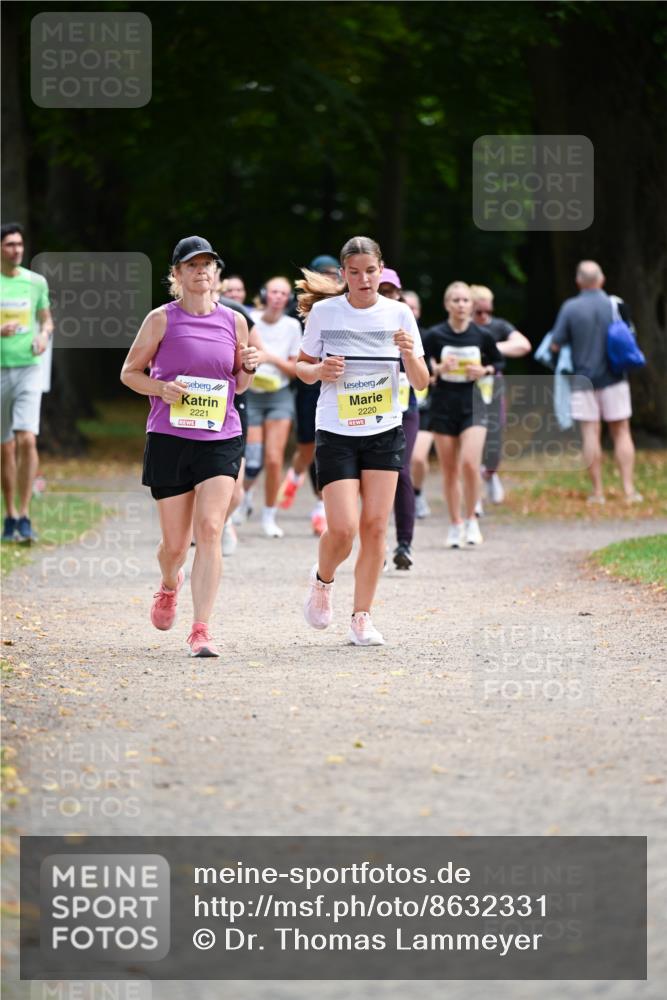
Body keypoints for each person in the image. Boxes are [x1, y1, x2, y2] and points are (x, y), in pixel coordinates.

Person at [120, 235, 258, 657]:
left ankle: (201, 629)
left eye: (208, 265)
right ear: (176, 274)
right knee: (175, 547)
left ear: (216, 273)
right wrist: (162, 389)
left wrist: (249, 367)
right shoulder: (161, 319)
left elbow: (240, 383)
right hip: (169, 437)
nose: (201, 272)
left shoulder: (234, 321)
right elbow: (130, 372)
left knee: (211, 529)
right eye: (192, 265)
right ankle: (168, 584)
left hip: (220, 434)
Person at [296, 236, 429, 645]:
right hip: (336, 429)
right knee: (343, 529)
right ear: (343, 274)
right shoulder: (324, 312)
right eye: (354, 272)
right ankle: (323, 582)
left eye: (370, 271)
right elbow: (301, 367)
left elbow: (422, 384)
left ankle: (362, 618)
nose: (363, 279)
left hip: (384, 429)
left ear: (380, 269)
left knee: (374, 527)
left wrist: (409, 354)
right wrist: (320, 371)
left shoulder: (400, 313)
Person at [549, 260, 642, 503]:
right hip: (615, 377)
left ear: (579, 281)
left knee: (590, 433)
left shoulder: (570, 307)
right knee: (621, 431)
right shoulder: (616, 304)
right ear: (601, 280)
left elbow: (555, 344)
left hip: (583, 380)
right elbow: (631, 335)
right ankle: (629, 490)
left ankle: (598, 492)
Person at [422, 282, 502, 548]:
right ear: (447, 304)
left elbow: (498, 361)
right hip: (443, 406)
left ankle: (472, 520)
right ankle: (455, 523)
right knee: (449, 469)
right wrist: (439, 369)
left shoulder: (482, 335)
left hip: (473, 403)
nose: (461, 305)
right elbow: (421, 369)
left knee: (469, 463)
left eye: (465, 300)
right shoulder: (434, 335)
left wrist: (485, 371)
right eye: (455, 300)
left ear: (472, 305)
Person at [278, 255, 342, 536]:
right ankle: (294, 474)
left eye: (334, 273)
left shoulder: (346, 304)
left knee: (325, 445)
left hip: (337, 383)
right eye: (324, 273)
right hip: (307, 384)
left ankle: (321, 508)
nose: (331, 278)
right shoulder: (298, 310)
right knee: (307, 446)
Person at [1, 223, 53, 543]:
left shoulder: (36, 283)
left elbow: (47, 319)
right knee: (5, 447)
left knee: (27, 440)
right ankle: (10, 516)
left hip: (29, 368)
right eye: (9, 245)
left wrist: (44, 335)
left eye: (19, 244)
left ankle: (25, 516)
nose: (16, 250)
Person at [243, 276, 302, 537]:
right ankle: (241, 499)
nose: (278, 297)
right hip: (251, 394)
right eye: (274, 291)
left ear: (289, 299)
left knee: (275, 459)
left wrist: (270, 357)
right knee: (252, 458)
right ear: (265, 294)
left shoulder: (291, 327)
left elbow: (294, 370)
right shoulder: (248, 318)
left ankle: (269, 515)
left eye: (284, 293)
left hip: (279, 395)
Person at [469, 284, 531, 506]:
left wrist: (492, 348)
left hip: (493, 385)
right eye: (479, 312)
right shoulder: (463, 329)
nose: (484, 316)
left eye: (488, 312)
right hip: (466, 389)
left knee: (494, 439)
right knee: (472, 438)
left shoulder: (498, 326)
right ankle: (473, 495)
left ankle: (489, 473)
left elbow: (523, 345)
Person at [378, 268, 420, 570]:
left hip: (404, 408)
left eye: (391, 290)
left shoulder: (406, 321)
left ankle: (404, 543)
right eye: (382, 289)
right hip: (365, 408)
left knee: (401, 470)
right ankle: (376, 542)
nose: (386, 295)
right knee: (371, 475)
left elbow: (423, 375)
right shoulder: (354, 320)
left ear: (399, 294)